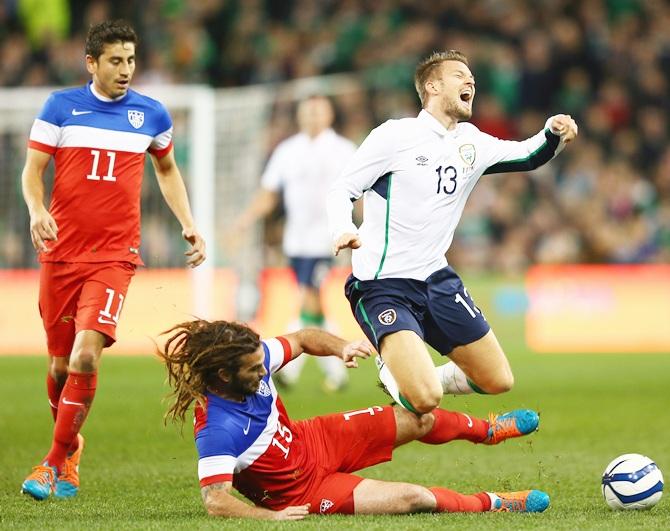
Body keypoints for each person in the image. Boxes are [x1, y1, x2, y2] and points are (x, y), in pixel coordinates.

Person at [327, 50, 578, 414]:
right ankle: (398, 371)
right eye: (459, 75)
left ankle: (419, 373)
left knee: (497, 380)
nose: (470, 82)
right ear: (432, 86)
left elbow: (528, 155)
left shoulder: (471, 142)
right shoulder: (395, 135)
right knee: (425, 401)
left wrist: (553, 132)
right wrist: (343, 228)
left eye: (472, 78)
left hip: (436, 279)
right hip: (384, 285)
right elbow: (342, 189)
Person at [20, 20, 206, 500]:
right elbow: (32, 171)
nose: (126, 70)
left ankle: (53, 461)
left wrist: (187, 220)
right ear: (92, 63)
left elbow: (166, 169)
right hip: (60, 254)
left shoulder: (151, 114)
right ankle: (71, 447)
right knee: (60, 367)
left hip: (115, 257)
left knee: (86, 353)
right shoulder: (60, 107)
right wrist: (37, 209)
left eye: (131, 60)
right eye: (116, 61)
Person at [159, 319, 548, 519]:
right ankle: (496, 503)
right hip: (304, 491)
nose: (264, 369)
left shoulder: (251, 357)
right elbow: (215, 501)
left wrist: (341, 347)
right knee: (415, 498)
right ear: (224, 376)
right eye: (254, 369)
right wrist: (270, 517)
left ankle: (490, 430)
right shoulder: (216, 430)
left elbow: (303, 337)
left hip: (315, 438)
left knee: (419, 417)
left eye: (262, 362)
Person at [234, 95, 357, 392]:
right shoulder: (287, 152)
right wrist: (245, 221)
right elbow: (269, 193)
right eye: (308, 112)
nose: (313, 117)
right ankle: (338, 370)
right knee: (313, 306)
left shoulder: (344, 150)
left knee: (309, 299)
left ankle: (288, 368)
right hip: (297, 242)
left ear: (329, 115)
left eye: (318, 112)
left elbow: (361, 193)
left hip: (330, 240)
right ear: (300, 116)